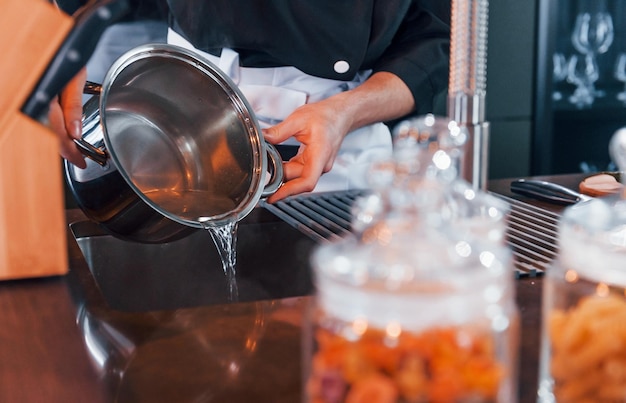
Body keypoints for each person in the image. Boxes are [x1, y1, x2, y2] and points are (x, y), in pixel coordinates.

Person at [51, 0, 450, 203]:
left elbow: (435, 41)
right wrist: (51, 44)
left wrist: (345, 114)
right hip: (181, 111)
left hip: (338, 133)